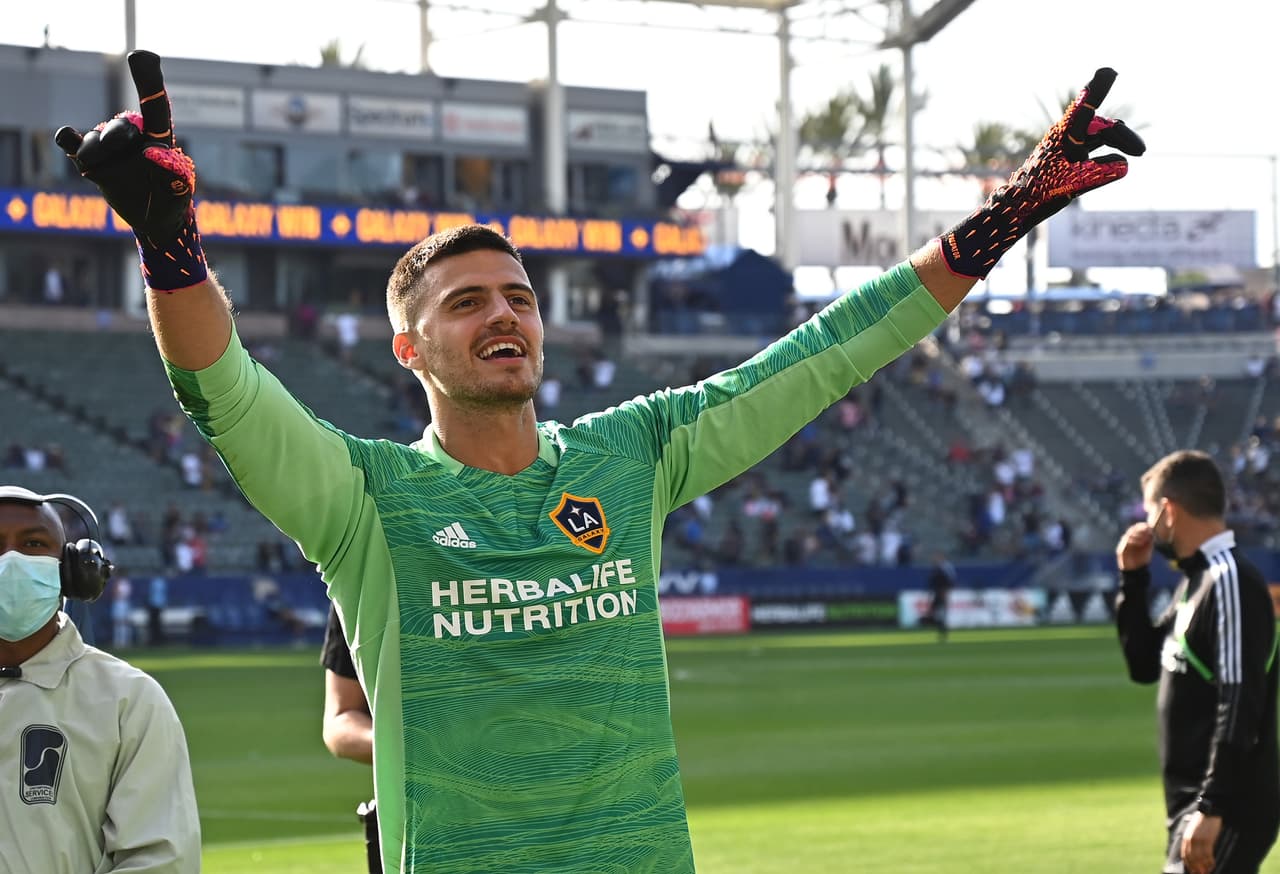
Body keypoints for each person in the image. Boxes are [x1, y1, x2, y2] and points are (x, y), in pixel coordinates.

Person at [57, 50, 1143, 874]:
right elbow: (225, 393)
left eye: (521, 298)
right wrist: (171, 245)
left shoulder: (634, 455)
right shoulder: (363, 500)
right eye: (467, 301)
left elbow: (827, 350)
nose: (505, 315)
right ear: (408, 346)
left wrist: (1005, 213)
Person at [0, 485, 200, 873]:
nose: (11, 561)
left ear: (73, 571)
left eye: (33, 544)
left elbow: (159, 861)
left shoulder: (129, 700)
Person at [1116, 450, 1280, 874]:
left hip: (1225, 808)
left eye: (1148, 510)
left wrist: (1213, 804)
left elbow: (1241, 698)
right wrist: (1133, 580)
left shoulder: (1229, 581)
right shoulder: (1197, 580)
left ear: (1168, 511)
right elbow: (1143, 666)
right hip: (1197, 808)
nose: (1145, 522)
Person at [321, 603, 380, 874]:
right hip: (416, 813)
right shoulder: (361, 584)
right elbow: (340, 719)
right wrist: (416, 750)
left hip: (525, 805)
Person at [925, 552, 957, 642]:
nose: (934, 559)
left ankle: (943, 633)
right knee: (935, 613)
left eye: (936, 557)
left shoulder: (945, 568)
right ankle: (941, 631)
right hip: (937, 594)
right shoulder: (937, 569)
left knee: (941, 614)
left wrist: (946, 593)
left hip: (942, 594)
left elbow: (950, 581)